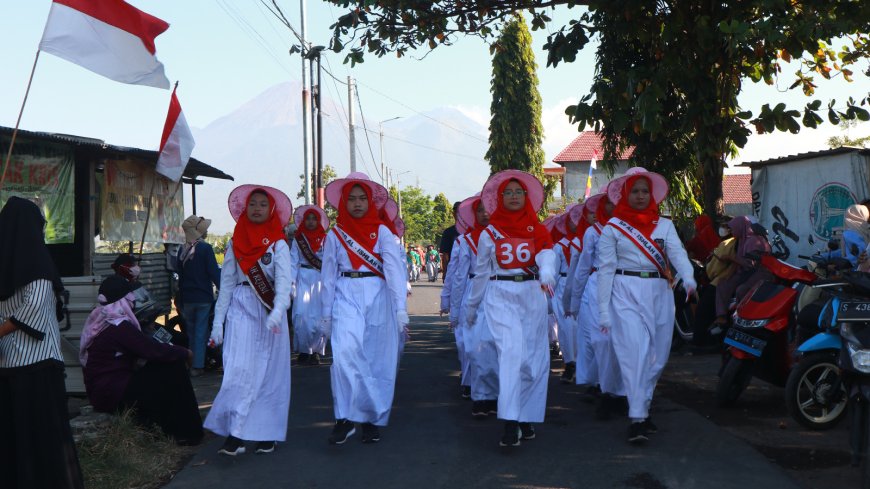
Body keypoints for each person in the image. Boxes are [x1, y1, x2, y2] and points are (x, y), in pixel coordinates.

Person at [597, 167, 696, 444]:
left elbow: (678, 254)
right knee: (635, 353)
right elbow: (605, 270)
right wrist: (603, 309)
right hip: (625, 291)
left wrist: (688, 277)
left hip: (659, 292)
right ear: (625, 195)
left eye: (645, 191)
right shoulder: (613, 228)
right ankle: (637, 418)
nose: (640, 196)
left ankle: (643, 406)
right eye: (635, 191)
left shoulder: (665, 225)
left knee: (658, 357)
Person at [465, 170, 557, 447]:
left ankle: (525, 416)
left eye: (519, 192)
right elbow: (481, 273)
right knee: (510, 355)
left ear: (526, 197)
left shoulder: (537, 228)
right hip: (499, 295)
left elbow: (546, 253)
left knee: (531, 360)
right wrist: (471, 307)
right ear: (500, 198)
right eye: (508, 192)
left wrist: (547, 271)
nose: (514, 196)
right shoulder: (489, 233)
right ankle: (509, 422)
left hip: (531, 295)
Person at [0, 196, 84, 489]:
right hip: (35, 366)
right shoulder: (38, 264)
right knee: (40, 437)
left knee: (23, 437)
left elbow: (29, 312)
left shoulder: (7, 267)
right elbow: (34, 310)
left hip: (18, 364)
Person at [319, 172, 408, 445]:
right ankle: (344, 418)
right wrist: (325, 314)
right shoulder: (335, 234)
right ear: (343, 203)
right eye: (351, 199)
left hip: (378, 297)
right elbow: (328, 275)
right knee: (345, 354)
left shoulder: (382, 231)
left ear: (370, 202)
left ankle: (370, 419)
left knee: (374, 360)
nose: (357, 204)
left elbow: (393, 271)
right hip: (346, 295)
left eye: (362, 199)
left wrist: (400, 309)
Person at [206, 185, 293, 456]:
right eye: (252, 204)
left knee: (270, 375)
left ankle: (267, 432)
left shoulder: (278, 243)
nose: (256, 208)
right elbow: (227, 284)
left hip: (269, 313)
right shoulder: (235, 242)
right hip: (241, 308)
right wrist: (217, 323)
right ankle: (236, 433)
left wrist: (278, 310)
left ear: (271, 211)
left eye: (262, 204)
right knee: (238, 370)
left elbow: (283, 282)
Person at [80, 275, 202, 444]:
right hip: (112, 392)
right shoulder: (118, 325)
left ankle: (176, 429)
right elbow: (152, 350)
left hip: (105, 389)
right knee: (172, 368)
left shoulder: (103, 320)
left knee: (162, 369)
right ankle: (186, 432)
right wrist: (185, 353)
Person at [451, 193, 499, 415]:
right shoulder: (464, 240)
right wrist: (453, 307)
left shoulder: (503, 236)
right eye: (480, 210)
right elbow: (458, 276)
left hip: (499, 291)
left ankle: (495, 395)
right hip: (474, 292)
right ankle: (479, 394)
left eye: (488, 208)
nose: (485, 214)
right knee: (473, 346)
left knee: (496, 346)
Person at [177, 215, 221, 376]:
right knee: (201, 332)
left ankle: (191, 363)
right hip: (203, 297)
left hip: (187, 298)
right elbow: (214, 273)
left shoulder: (182, 250)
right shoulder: (205, 248)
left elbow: (180, 276)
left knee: (191, 332)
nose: (207, 232)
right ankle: (197, 365)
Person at [713, 216, 771, 329]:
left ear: (740, 227)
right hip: (745, 273)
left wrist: (732, 258)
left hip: (759, 273)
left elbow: (751, 265)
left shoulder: (753, 241)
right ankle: (722, 317)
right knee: (722, 284)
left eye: (733, 229)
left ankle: (743, 319)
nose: (732, 231)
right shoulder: (741, 241)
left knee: (741, 290)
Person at [290, 205, 329, 366]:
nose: (311, 222)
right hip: (303, 279)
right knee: (301, 317)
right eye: (308, 219)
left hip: (320, 281)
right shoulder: (298, 239)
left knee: (319, 319)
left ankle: (317, 351)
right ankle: (304, 351)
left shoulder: (326, 239)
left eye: (314, 218)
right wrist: (291, 283)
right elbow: (293, 262)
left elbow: (329, 262)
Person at [691, 218, 736, 349]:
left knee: (702, 312)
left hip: (718, 281)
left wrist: (709, 271)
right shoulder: (738, 242)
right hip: (730, 281)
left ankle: (700, 343)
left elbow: (714, 268)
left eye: (725, 226)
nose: (722, 229)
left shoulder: (727, 243)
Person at [439, 202, 462, 281]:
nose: (459, 214)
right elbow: (445, 255)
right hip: (454, 270)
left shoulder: (471, 231)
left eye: (461, 211)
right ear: (453, 214)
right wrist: (445, 272)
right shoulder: (448, 232)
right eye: (457, 211)